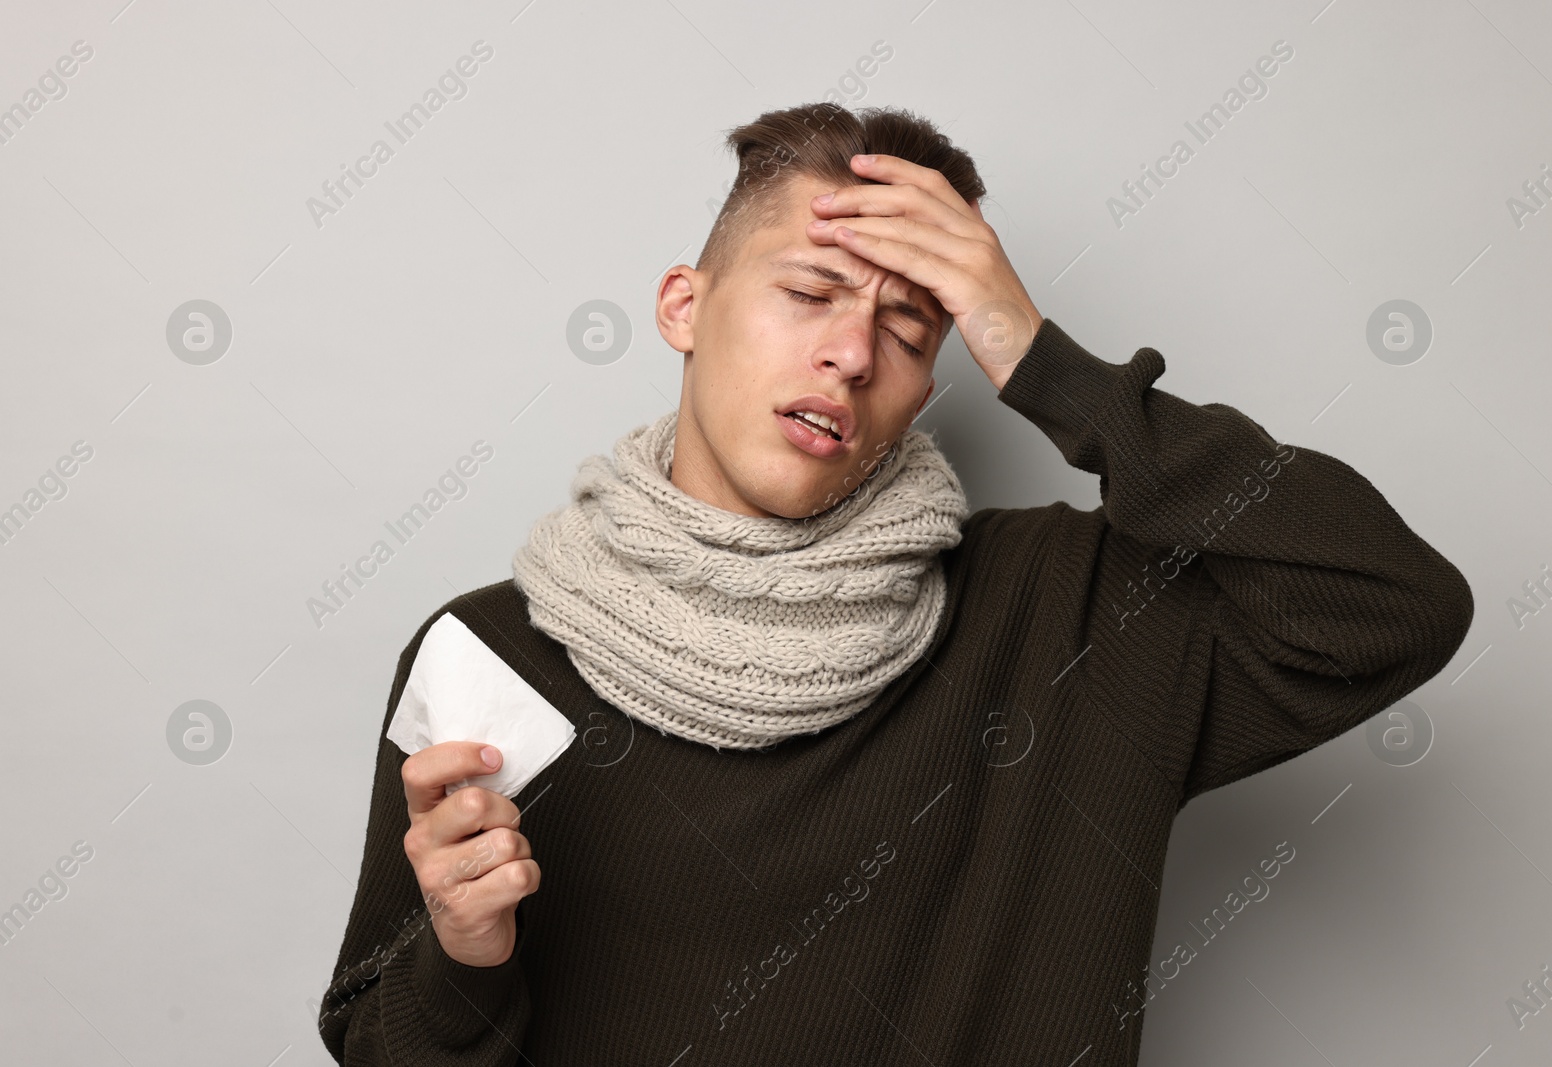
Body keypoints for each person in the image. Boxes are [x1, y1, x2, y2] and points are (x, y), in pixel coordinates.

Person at [318, 102, 1474, 1066]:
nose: (852, 352)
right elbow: (376, 1041)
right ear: (684, 304)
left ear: (934, 381)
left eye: (912, 327)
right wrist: (463, 957)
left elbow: (1388, 603)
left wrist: (1045, 360)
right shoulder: (490, 653)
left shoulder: (1068, 619)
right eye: (809, 292)